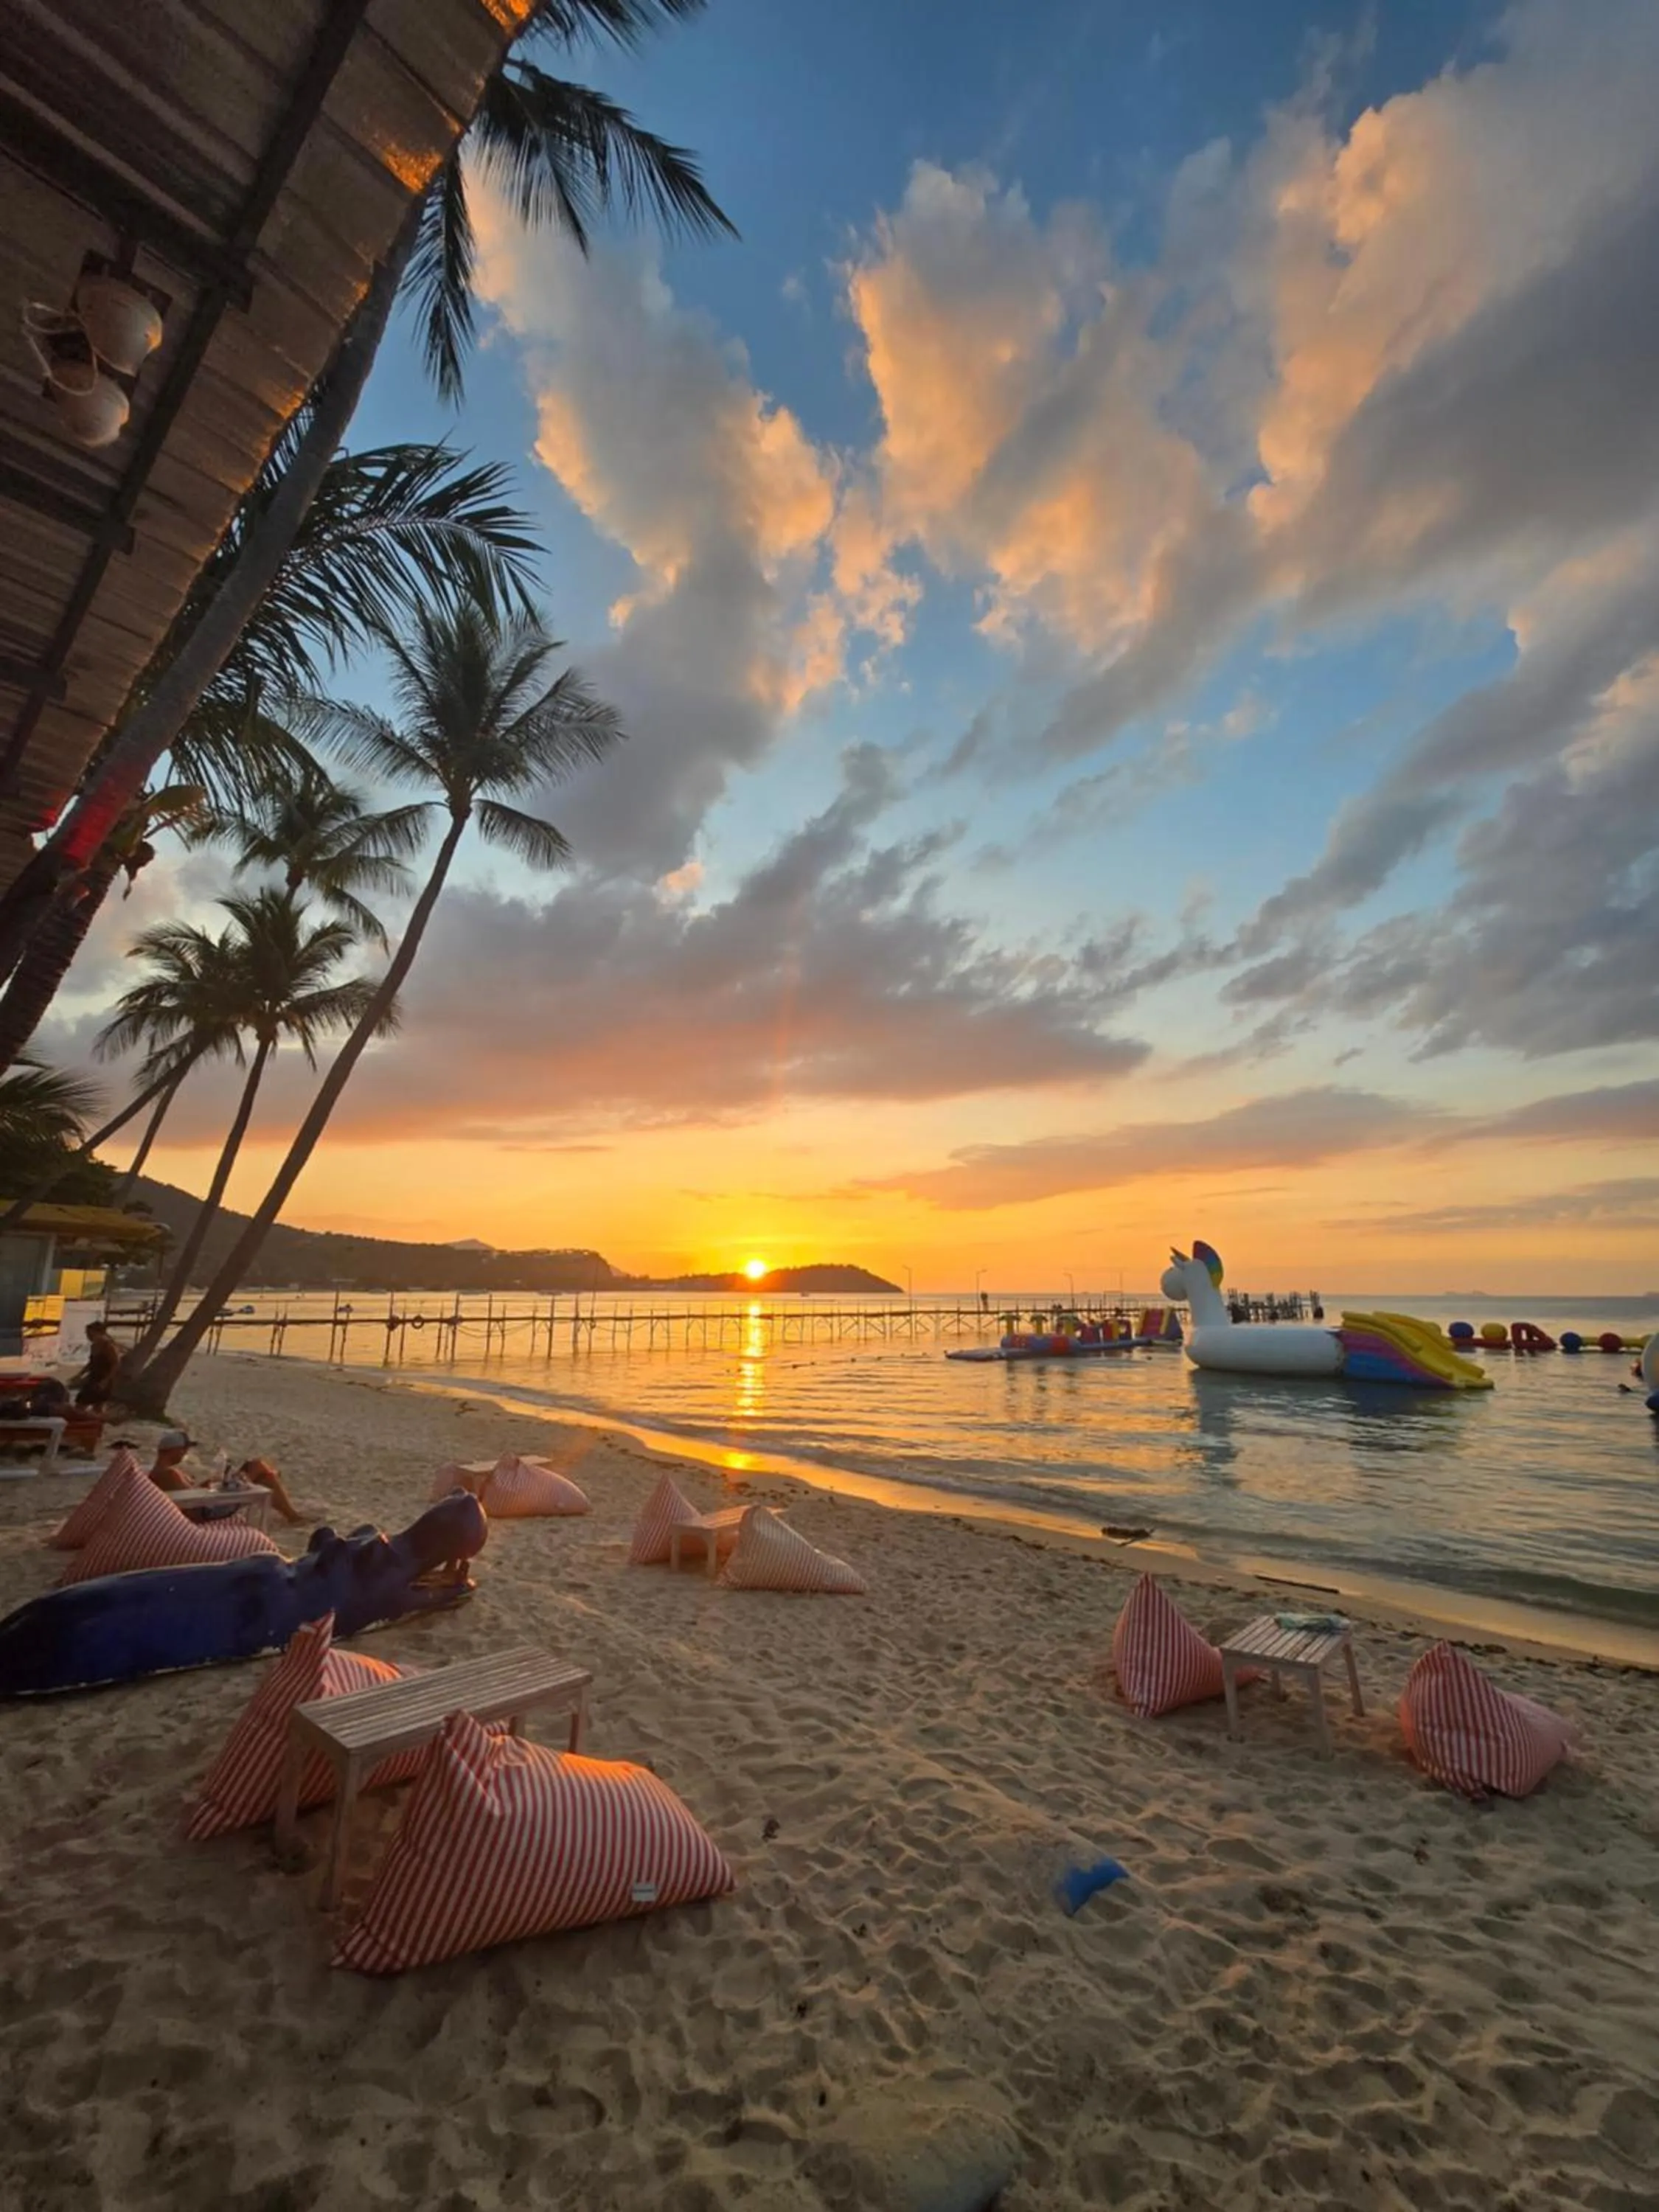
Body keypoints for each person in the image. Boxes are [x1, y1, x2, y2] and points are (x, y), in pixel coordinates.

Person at [148, 1429, 313, 1526]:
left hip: (204, 1506)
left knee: (262, 1476)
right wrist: (213, 1488)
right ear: (173, 1450)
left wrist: (207, 1484)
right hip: (209, 1512)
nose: (185, 1453)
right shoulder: (169, 1474)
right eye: (183, 1450)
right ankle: (293, 1516)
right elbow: (193, 1504)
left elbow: (189, 1495)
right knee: (256, 1467)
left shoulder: (159, 1473)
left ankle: (292, 1515)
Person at [74, 1321, 121, 1408]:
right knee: (82, 1404)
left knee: (96, 1406)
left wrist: (106, 1381)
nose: (88, 1336)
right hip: (93, 1378)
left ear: (97, 1332)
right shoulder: (94, 1346)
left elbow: (116, 1364)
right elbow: (92, 1363)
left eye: (89, 1333)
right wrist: (80, 1375)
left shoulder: (109, 1346)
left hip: (104, 1379)